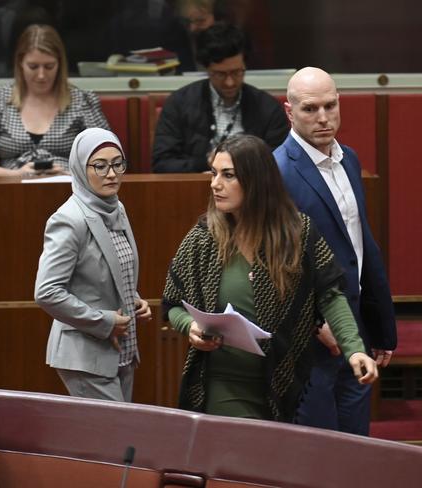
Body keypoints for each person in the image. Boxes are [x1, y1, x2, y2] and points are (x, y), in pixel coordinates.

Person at [162, 134, 377, 421]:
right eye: (214, 173)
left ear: (256, 181)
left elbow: (330, 294)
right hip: (223, 383)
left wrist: (354, 350)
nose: (215, 184)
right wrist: (190, 326)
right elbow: (172, 304)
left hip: (286, 380)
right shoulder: (203, 238)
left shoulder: (298, 232)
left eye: (228, 175)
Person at [273, 67, 397, 435]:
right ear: (289, 111)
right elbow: (275, 263)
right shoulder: (277, 170)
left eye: (331, 105)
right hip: (311, 336)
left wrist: (381, 327)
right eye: (311, 109)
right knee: (318, 450)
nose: (324, 118)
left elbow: (361, 247)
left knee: (356, 445)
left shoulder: (351, 160)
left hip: (355, 323)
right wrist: (313, 323)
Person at [35, 127, 152, 402]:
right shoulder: (69, 220)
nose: (111, 174)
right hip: (85, 354)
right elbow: (47, 292)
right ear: (79, 168)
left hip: (121, 349)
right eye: (99, 166)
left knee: (119, 439)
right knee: (117, 438)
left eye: (117, 164)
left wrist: (133, 298)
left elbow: (113, 272)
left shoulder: (115, 208)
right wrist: (103, 321)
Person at [0, 24, 110, 177]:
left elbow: (103, 161)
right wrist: (18, 174)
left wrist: (67, 175)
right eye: (33, 66)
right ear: (20, 63)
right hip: (11, 190)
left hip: (69, 190)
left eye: (49, 66)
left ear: (60, 64)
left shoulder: (81, 102)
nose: (41, 75)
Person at [152, 22, 288, 173]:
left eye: (237, 72)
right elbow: (162, 164)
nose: (229, 82)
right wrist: (206, 162)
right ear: (207, 69)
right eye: (220, 74)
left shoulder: (268, 108)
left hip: (252, 191)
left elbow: (281, 164)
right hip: (196, 188)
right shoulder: (179, 103)